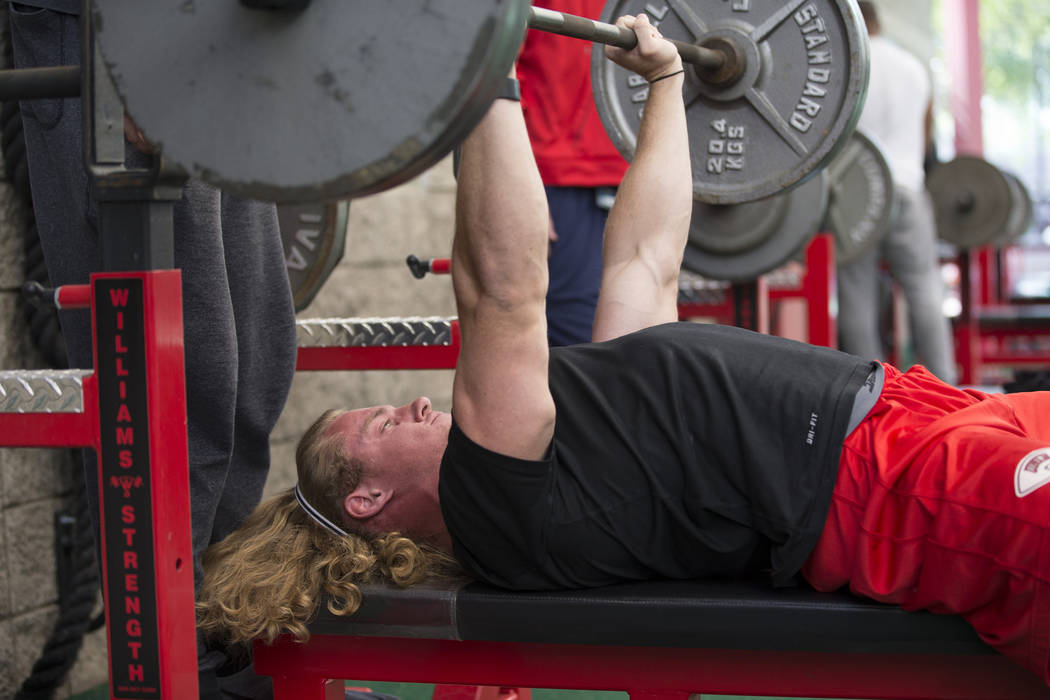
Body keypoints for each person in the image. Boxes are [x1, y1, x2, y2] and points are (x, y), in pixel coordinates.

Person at [197, 14, 1050, 687]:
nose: (415, 403)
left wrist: (670, 85)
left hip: (931, 417)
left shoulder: (586, 444)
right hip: (892, 490)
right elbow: (503, 284)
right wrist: (482, 75)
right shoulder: (495, 506)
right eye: (381, 421)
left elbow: (646, 260)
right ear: (368, 500)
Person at [8, 3, 298, 698]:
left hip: (212, 37)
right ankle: (175, 672)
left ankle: (221, 641)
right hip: (110, 29)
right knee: (181, 387)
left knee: (257, 368)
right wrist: (130, 51)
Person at [836, 1, 958, 383]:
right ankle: (946, 384)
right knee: (924, 288)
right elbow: (926, 136)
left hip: (858, 196)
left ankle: (865, 394)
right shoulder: (913, 67)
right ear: (878, 21)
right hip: (907, 184)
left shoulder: (848, 68)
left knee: (857, 294)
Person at [517, 0, 630, 346]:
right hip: (556, 180)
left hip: (630, 169)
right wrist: (523, 186)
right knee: (573, 336)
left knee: (633, 331)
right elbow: (495, 76)